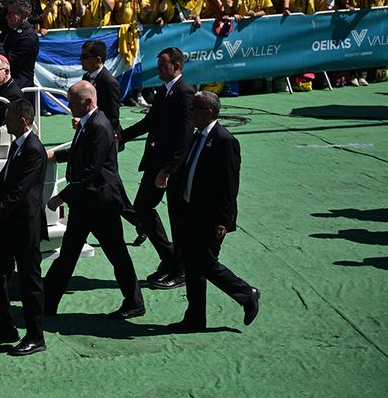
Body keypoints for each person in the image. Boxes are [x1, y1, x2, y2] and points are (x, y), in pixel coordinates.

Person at [44, 81, 144, 319]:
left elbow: (92, 170)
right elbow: (80, 153)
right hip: (88, 202)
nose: (68, 106)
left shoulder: (98, 126)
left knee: (116, 254)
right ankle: (47, 303)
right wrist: (55, 155)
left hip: (101, 204)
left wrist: (61, 196)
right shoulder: (89, 123)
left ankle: (134, 302)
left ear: (88, 103)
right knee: (69, 255)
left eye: (72, 102)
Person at [169, 91, 259, 331]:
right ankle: (195, 318)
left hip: (211, 218)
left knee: (205, 262)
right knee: (192, 264)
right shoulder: (197, 137)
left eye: (194, 108)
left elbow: (230, 184)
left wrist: (224, 219)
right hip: (191, 212)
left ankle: (246, 293)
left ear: (208, 112)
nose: (190, 112)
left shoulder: (225, 141)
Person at [0, 99, 48, 355]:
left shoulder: (33, 150)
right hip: (9, 225)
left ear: (24, 120)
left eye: (9, 117)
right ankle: (6, 327)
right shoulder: (18, 145)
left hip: (25, 227)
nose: (5, 121)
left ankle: (36, 336)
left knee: (30, 282)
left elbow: (18, 193)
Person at [120, 47, 195, 290]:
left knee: (177, 218)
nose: (160, 68)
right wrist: (121, 136)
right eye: (159, 64)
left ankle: (181, 269)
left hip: (171, 167)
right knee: (142, 207)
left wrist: (169, 169)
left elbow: (185, 135)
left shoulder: (185, 93)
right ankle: (171, 259)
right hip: (156, 162)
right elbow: (149, 122)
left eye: (164, 64)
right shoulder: (164, 91)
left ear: (177, 66)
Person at [79, 39, 144, 245]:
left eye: (84, 56)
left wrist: (90, 121)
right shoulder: (87, 78)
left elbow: (113, 118)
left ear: (98, 60)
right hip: (92, 139)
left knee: (111, 188)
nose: (80, 60)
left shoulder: (109, 83)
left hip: (105, 143)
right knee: (109, 187)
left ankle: (140, 223)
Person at [0, 0, 40, 90]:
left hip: (18, 90)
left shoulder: (29, 37)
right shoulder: (9, 30)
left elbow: (5, 62)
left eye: (11, 13)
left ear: (25, 14)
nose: (7, 17)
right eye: (7, 13)